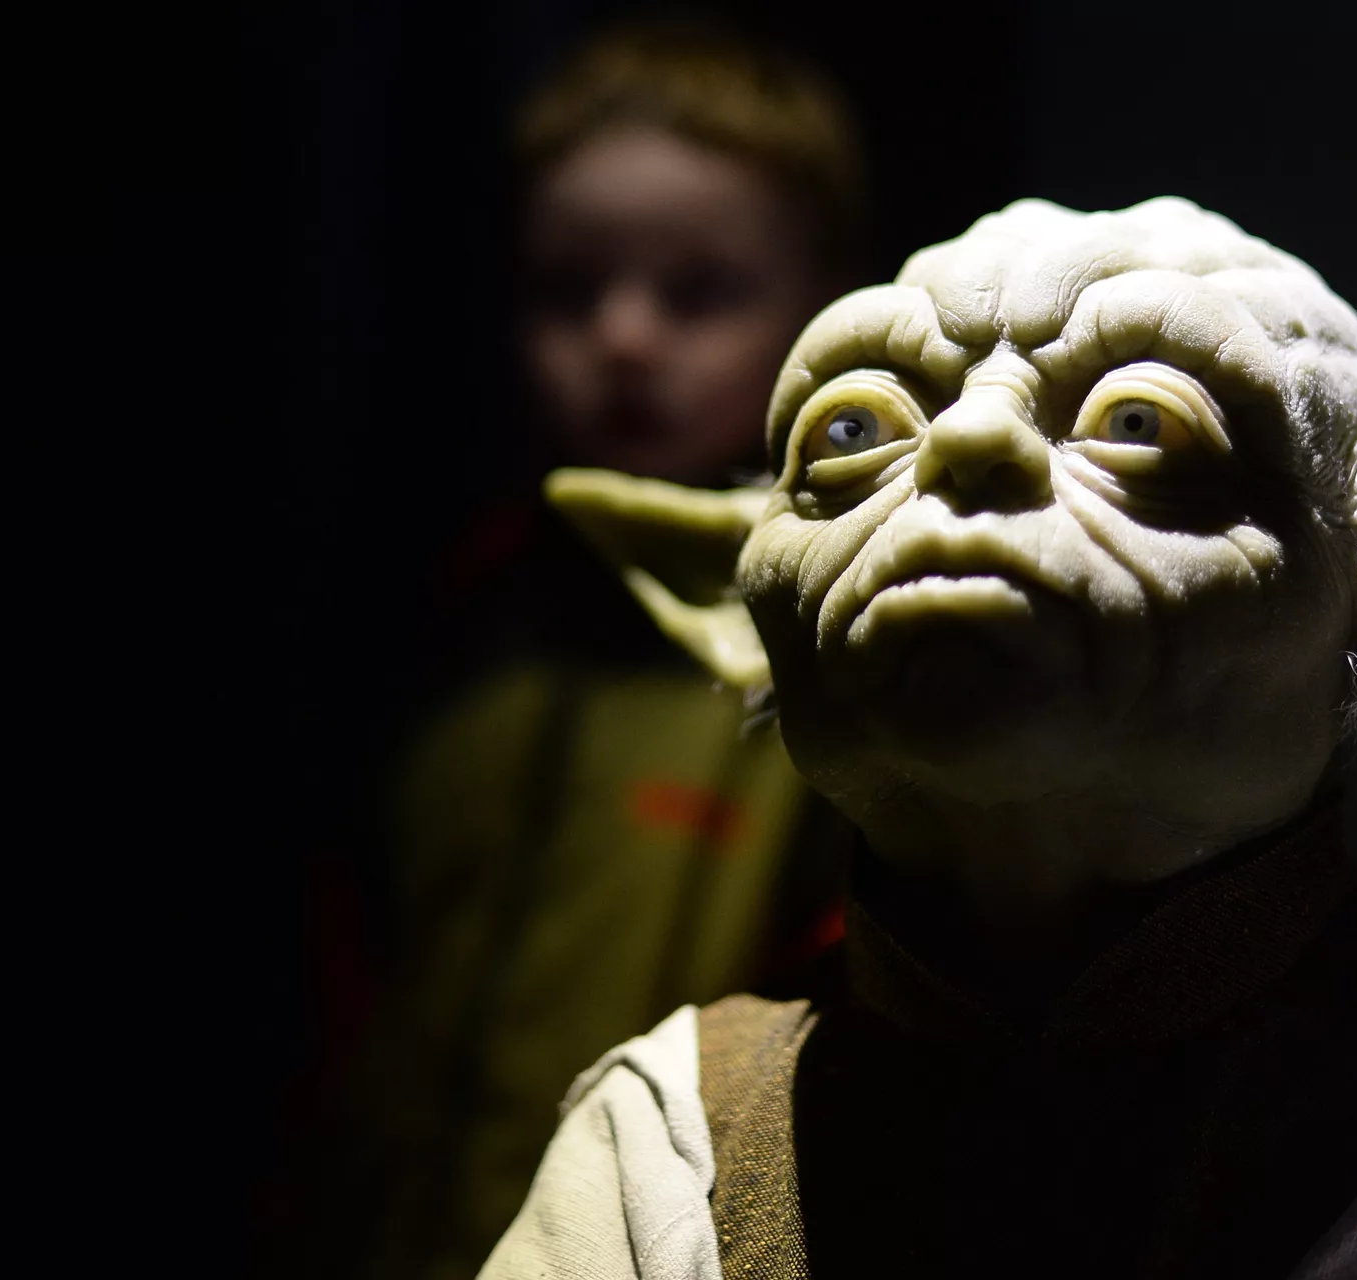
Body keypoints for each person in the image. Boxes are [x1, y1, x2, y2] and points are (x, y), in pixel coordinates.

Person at [485, 197, 1357, 1278]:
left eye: (1141, 424)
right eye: (858, 432)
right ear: (750, 607)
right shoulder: (674, 1132)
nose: (971, 438)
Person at [292, 22, 869, 1280]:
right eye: (566, 290)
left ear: (826, 305)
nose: (623, 337)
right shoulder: (458, 620)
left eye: (698, 292)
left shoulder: (838, 667)